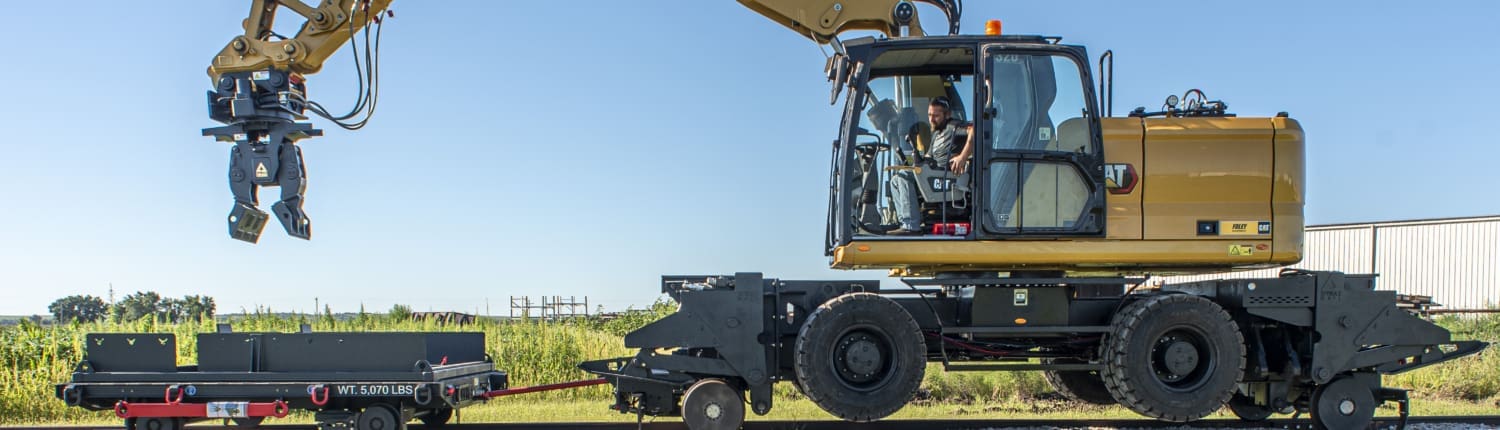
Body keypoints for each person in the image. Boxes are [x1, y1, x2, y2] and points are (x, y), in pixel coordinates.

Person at [888, 97, 975, 235]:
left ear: (947, 115)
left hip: (949, 179)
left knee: (903, 177)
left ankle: (911, 225)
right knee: (895, 179)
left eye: (936, 116)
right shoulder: (936, 134)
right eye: (929, 115)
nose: (931, 119)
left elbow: (974, 130)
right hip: (933, 176)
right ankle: (904, 221)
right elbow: (928, 158)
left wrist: (962, 157)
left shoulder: (954, 126)